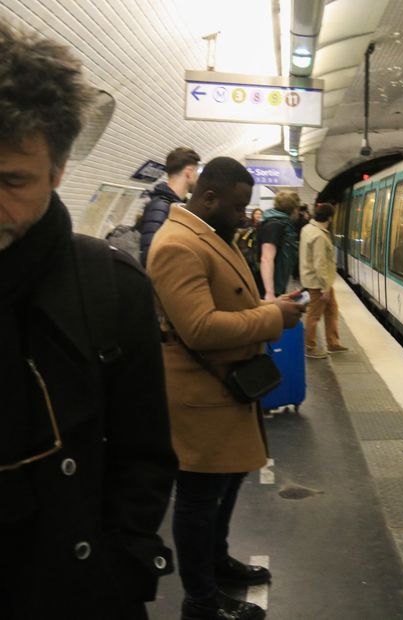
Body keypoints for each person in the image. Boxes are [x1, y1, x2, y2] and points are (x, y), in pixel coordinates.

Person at [0, 23, 177, 619]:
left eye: (11, 181)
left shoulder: (109, 285)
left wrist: (119, 568)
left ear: (59, 169)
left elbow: (145, 452)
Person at [147, 157, 306, 620]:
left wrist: (266, 304)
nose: (244, 217)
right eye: (237, 208)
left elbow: (227, 299)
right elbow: (198, 327)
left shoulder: (211, 235)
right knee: (198, 499)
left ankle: (217, 562)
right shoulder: (177, 244)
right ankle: (200, 601)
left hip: (227, 389)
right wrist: (273, 317)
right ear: (209, 197)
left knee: (229, 482)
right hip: (200, 394)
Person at [300, 202, 348, 358]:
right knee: (314, 315)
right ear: (330, 218)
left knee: (332, 310)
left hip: (318, 280)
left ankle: (333, 343)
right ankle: (309, 347)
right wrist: (325, 288)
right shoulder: (319, 236)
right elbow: (319, 263)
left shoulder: (307, 229)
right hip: (319, 283)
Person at [139, 146, 200, 267]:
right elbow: (150, 254)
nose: (198, 178)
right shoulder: (161, 206)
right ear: (188, 172)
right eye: (196, 172)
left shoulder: (176, 205)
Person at [257, 190, 301, 300]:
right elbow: (266, 259)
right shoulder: (274, 225)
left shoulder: (283, 224)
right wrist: (269, 293)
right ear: (294, 208)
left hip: (276, 285)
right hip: (266, 289)